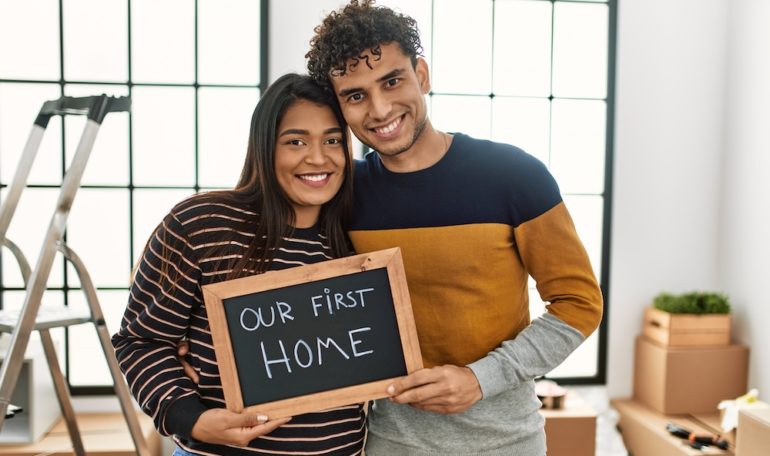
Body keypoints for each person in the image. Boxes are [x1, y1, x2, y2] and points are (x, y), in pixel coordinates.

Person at [304, 1, 604, 454]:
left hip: (507, 442)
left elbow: (579, 304)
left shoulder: (514, 175)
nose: (381, 109)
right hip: (389, 441)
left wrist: (479, 379)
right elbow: (295, 297)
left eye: (392, 80)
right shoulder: (342, 195)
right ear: (340, 107)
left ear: (421, 75)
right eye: (356, 95)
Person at [111, 73, 366, 456]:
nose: (318, 157)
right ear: (264, 148)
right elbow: (140, 341)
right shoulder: (200, 224)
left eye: (332, 140)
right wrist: (191, 418)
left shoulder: (356, 239)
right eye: (295, 141)